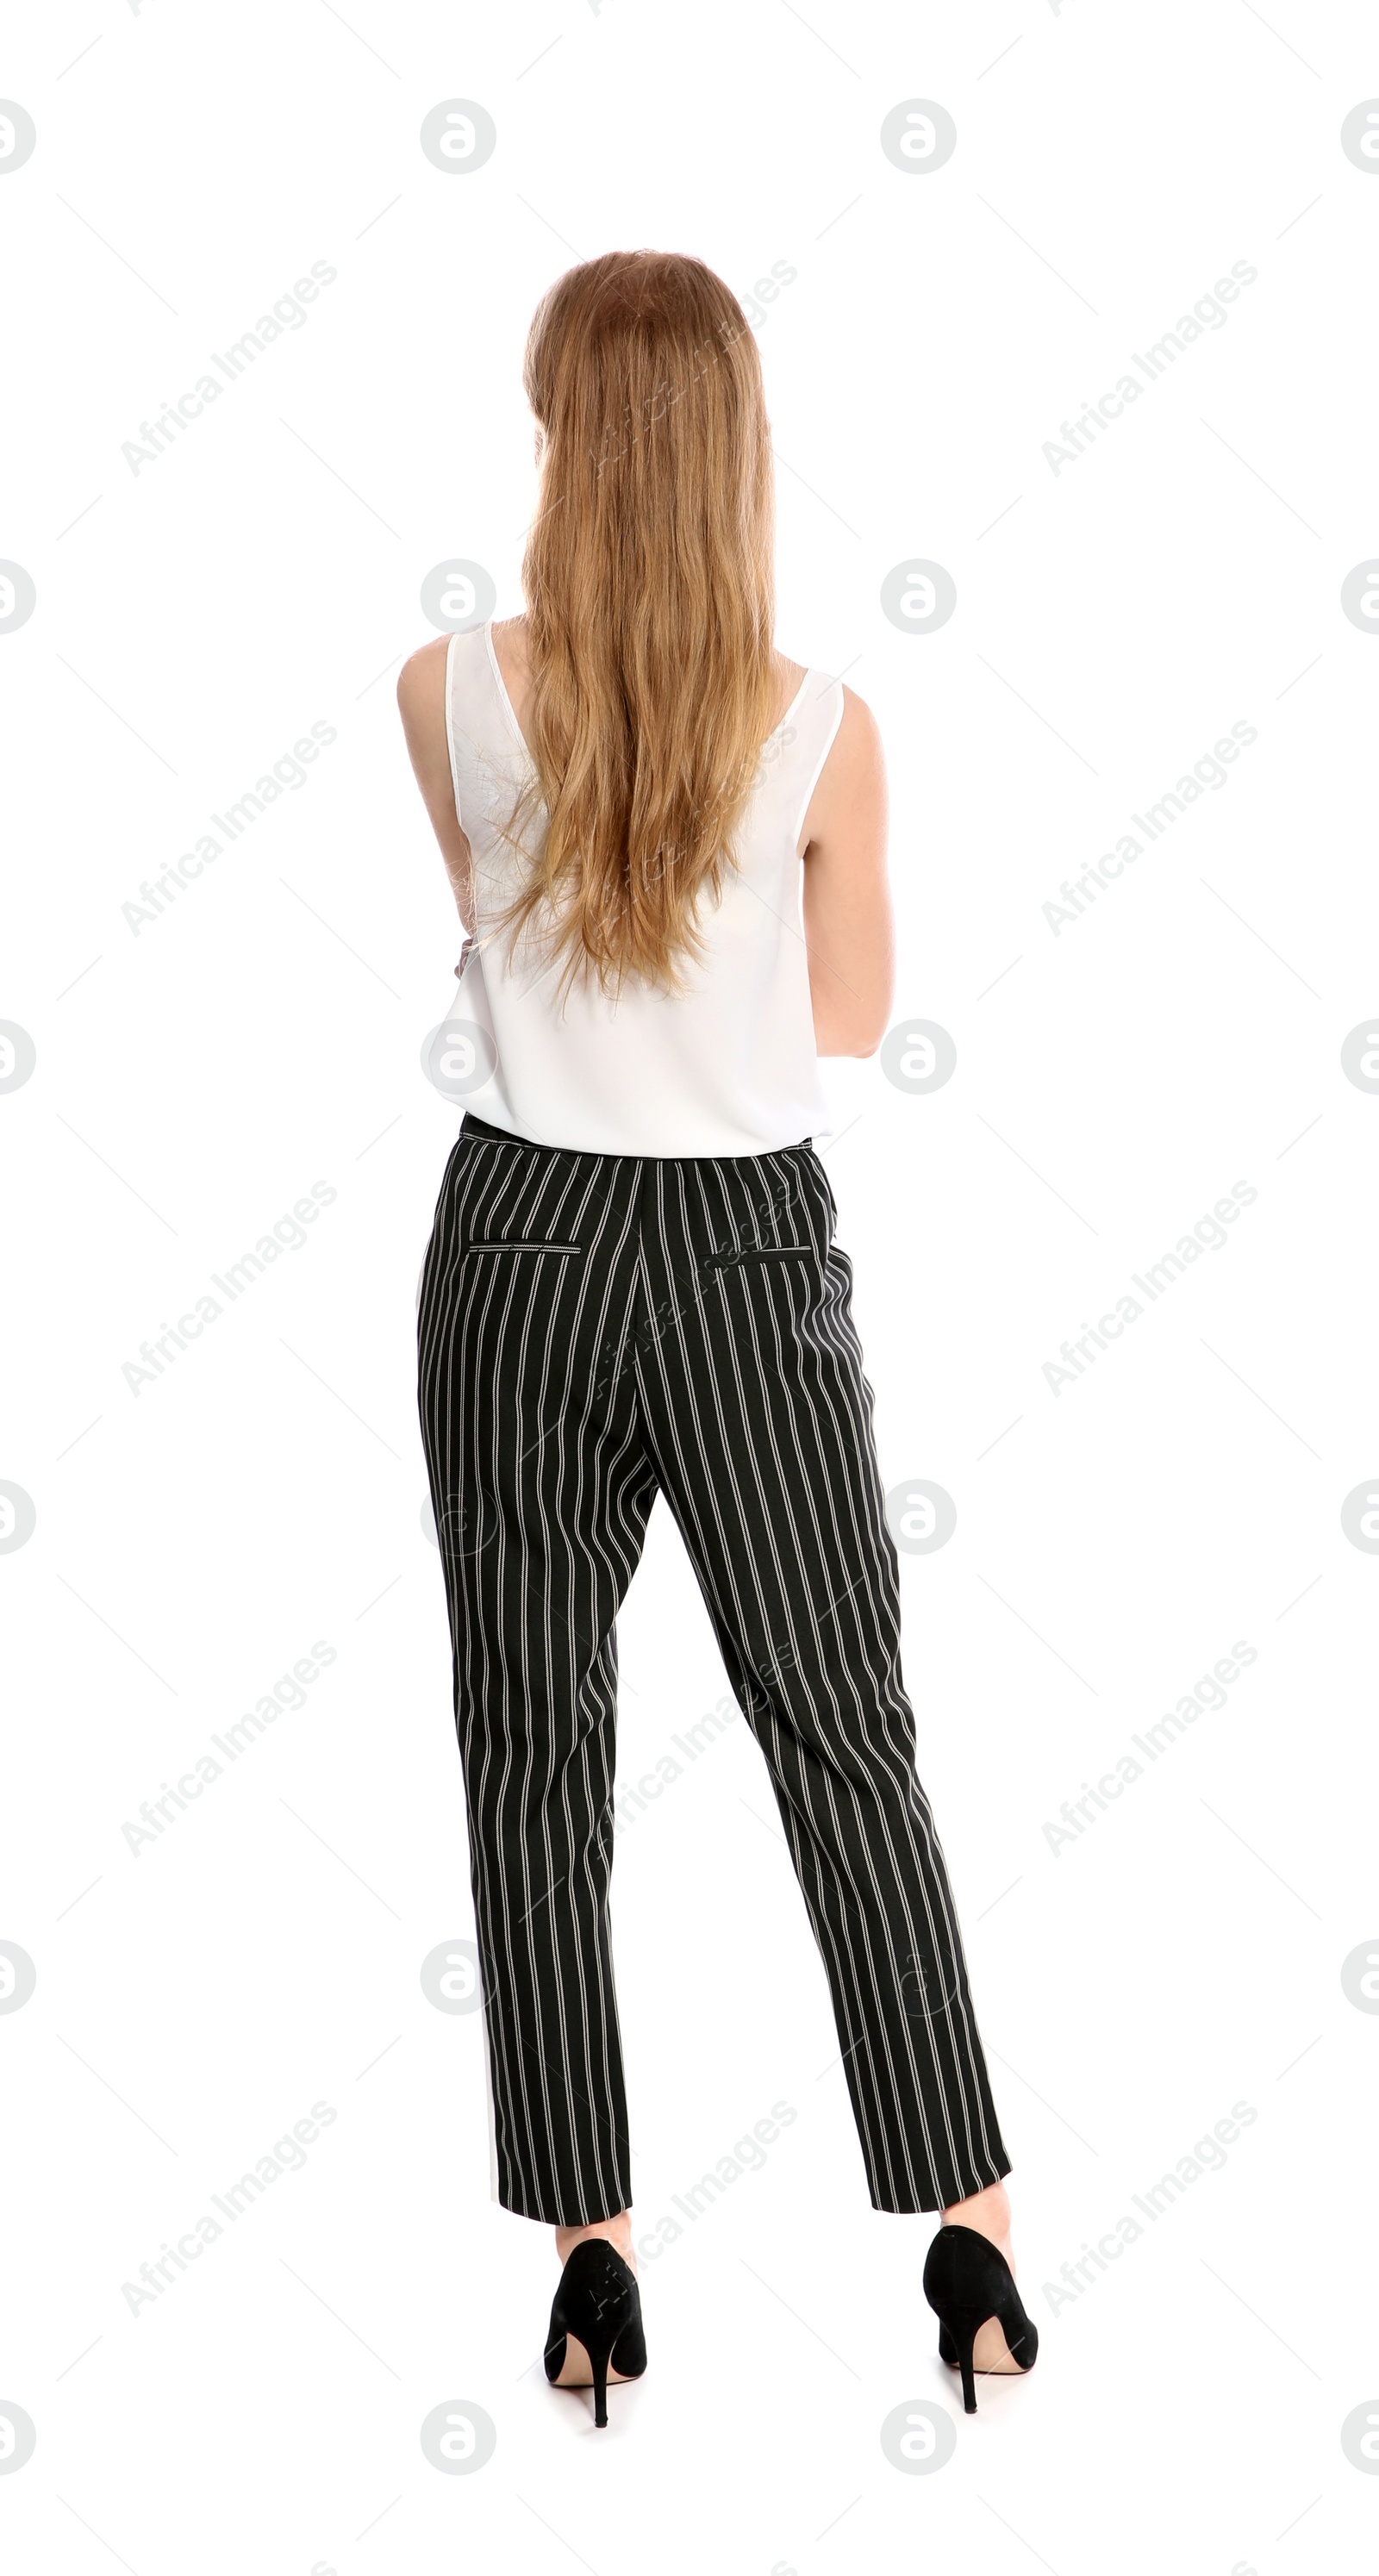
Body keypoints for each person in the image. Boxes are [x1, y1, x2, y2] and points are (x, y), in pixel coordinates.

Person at [397, 249, 1036, 2429]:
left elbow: (489, 929)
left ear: (566, 439)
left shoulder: (442, 691)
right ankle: (968, 2229)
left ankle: (590, 2255)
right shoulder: (825, 728)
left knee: (531, 1747)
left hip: (515, 1250)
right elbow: (844, 1022)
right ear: (736, 452)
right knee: (842, 1729)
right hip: (748, 1262)